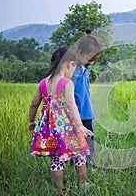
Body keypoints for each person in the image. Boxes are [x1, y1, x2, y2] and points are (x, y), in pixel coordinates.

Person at [28, 46, 94, 194]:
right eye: (73, 68)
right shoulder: (66, 83)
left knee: (56, 160)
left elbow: (33, 104)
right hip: (67, 126)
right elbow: (71, 105)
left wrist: (31, 122)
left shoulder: (43, 83)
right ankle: (82, 183)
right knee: (79, 154)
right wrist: (80, 126)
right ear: (70, 64)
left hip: (50, 128)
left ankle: (59, 189)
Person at [71, 28, 102, 167]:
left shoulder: (86, 68)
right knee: (74, 141)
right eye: (89, 59)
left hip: (87, 112)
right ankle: (74, 165)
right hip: (75, 114)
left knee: (89, 141)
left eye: (93, 60)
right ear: (79, 53)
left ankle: (89, 165)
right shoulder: (73, 69)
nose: (90, 63)